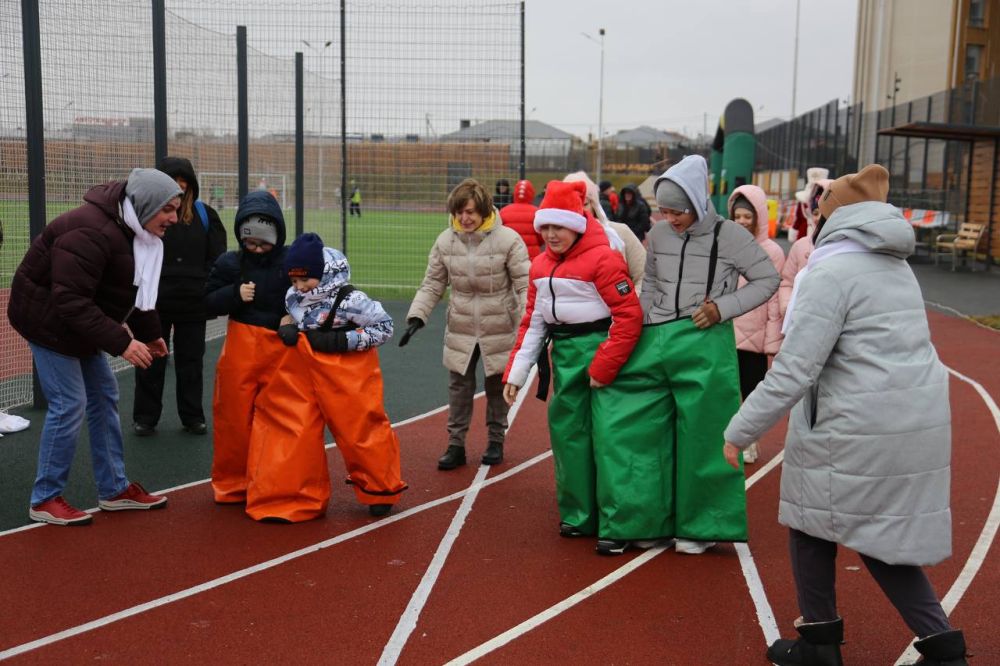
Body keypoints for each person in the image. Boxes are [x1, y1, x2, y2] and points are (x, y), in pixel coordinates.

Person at [723, 165, 968, 666]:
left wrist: (738, 430)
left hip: (854, 421)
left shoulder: (831, 270)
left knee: (861, 535)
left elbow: (795, 368)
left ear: (832, 215)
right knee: (822, 527)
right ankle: (830, 641)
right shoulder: (890, 263)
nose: (813, 213)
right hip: (900, 412)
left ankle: (935, 649)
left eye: (819, 205)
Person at [597, 154, 778, 555]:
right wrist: (634, 329)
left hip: (705, 341)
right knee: (638, 430)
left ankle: (703, 526)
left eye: (678, 211)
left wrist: (722, 308)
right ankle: (644, 518)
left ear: (697, 201)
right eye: (664, 210)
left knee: (705, 433)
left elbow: (769, 279)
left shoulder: (732, 235)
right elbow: (651, 285)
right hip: (655, 337)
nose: (670, 218)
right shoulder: (659, 235)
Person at [8, 168, 181, 525]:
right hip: (48, 321)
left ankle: (113, 490)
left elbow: (136, 291)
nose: (174, 218)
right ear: (146, 205)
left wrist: (149, 333)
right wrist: (123, 342)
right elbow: (69, 301)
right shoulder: (90, 230)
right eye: (168, 209)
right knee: (69, 402)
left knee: (104, 395)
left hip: (79, 322)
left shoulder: (137, 234)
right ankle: (44, 498)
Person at [502, 180, 642, 556]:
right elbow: (533, 321)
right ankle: (579, 516)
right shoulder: (539, 265)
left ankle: (619, 523)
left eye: (557, 227)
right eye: (544, 227)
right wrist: (516, 373)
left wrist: (604, 366)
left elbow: (628, 316)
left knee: (611, 440)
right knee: (568, 437)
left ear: (576, 224)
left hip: (602, 355)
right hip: (563, 357)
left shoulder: (604, 257)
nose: (550, 235)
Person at [243, 233, 407, 521]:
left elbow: (385, 327)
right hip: (304, 370)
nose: (299, 286)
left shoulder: (351, 299)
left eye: (305, 279)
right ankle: (291, 494)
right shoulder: (294, 295)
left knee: (361, 429)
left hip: (347, 372)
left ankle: (380, 489)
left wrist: (341, 341)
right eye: (294, 280)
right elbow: (291, 315)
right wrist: (287, 326)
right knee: (293, 427)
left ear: (322, 273)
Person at [401, 178, 529, 470]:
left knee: (497, 385)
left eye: (470, 212)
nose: (464, 218)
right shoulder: (445, 241)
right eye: (459, 212)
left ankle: (496, 441)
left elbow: (525, 286)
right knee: (459, 386)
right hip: (461, 324)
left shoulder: (508, 240)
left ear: (484, 211)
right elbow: (433, 282)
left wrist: (526, 323)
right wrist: (417, 315)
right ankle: (455, 445)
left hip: (499, 323)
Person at [204, 191, 289, 504]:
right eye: (250, 242)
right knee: (233, 420)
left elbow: (310, 295)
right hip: (240, 349)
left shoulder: (289, 263)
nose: (256, 248)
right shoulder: (230, 262)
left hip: (281, 350)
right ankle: (232, 484)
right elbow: (208, 301)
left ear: (277, 237)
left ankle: (272, 481)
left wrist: (291, 316)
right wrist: (234, 294)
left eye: (264, 243)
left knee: (280, 419)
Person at [133, 157, 227, 437]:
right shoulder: (148, 214)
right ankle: (145, 418)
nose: (178, 193)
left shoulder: (206, 215)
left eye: (184, 188)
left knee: (191, 362)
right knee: (150, 361)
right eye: (173, 187)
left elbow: (218, 258)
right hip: (153, 303)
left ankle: (192, 416)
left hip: (193, 303)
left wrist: (203, 287)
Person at [728, 185, 785, 464]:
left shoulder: (772, 251)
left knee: (752, 393)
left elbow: (774, 298)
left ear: (758, 218)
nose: (741, 222)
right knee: (728, 391)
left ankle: (749, 442)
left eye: (747, 217)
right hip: (727, 331)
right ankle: (730, 440)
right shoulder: (728, 245)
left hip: (755, 335)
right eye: (737, 216)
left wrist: (772, 341)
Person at [563, 172, 646, 291]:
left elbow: (644, 275)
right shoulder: (558, 241)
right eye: (571, 205)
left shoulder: (620, 233)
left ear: (594, 204)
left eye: (585, 204)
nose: (579, 210)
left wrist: (632, 302)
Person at [779, 176, 832, 317]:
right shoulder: (800, 245)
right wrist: (786, 307)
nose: (818, 217)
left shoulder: (845, 246)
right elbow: (787, 282)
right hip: (798, 319)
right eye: (815, 212)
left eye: (824, 211)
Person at [499, 179, 543, 259]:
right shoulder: (537, 212)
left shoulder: (503, 211)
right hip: (531, 256)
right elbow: (542, 236)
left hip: (510, 254)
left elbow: (499, 234)